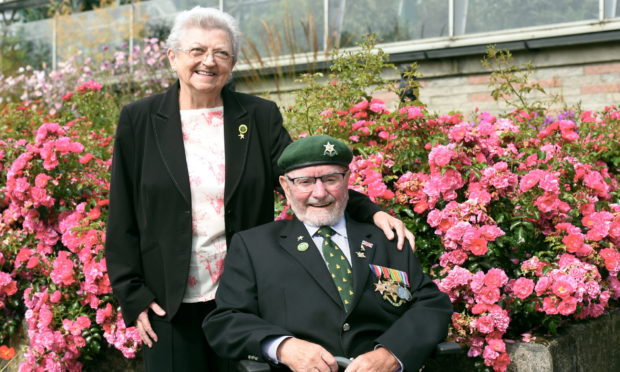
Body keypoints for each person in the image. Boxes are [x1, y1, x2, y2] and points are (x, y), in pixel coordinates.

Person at [105, 7, 414, 372]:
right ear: (173, 57)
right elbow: (122, 210)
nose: (209, 62)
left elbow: (303, 178)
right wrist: (132, 294)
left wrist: (371, 211)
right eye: (197, 51)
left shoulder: (257, 117)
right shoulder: (140, 120)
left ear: (233, 62)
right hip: (169, 302)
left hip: (245, 300)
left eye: (221, 53)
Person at [204, 135, 453, 372]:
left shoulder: (384, 238)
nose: (320, 193)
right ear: (285, 186)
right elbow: (226, 321)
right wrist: (283, 347)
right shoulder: (254, 246)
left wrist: (391, 354)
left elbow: (432, 305)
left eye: (331, 179)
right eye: (305, 182)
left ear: (347, 180)